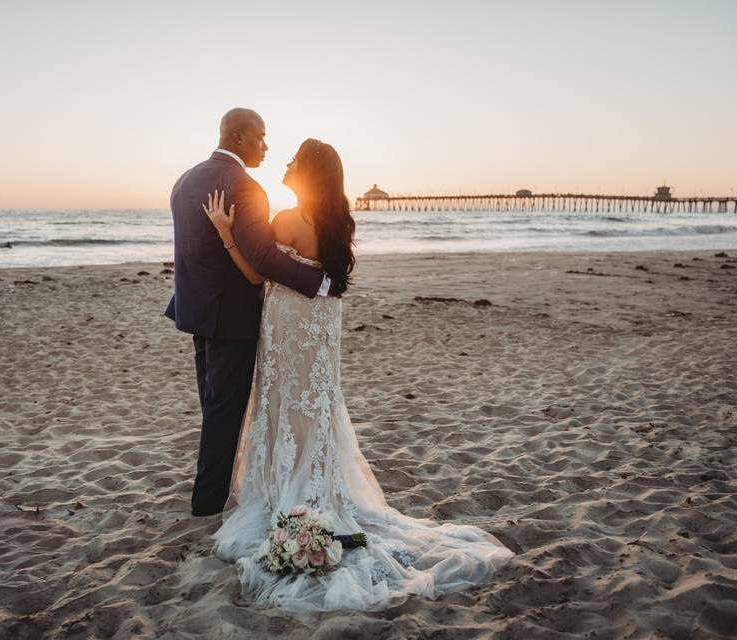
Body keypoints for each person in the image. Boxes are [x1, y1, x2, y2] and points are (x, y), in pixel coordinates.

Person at [203, 138, 515, 612]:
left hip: (290, 324)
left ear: (307, 174)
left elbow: (253, 271)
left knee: (285, 399)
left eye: (293, 162)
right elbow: (324, 279)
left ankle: (286, 488)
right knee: (317, 400)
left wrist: (226, 231)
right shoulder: (334, 224)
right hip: (321, 326)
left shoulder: (287, 220)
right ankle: (316, 477)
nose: (285, 165)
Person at [164, 108, 333, 517]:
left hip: (196, 311)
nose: (266, 145)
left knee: (213, 403)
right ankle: (207, 503)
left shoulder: (184, 179)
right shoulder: (243, 185)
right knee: (224, 411)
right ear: (238, 137)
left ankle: (213, 491)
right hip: (231, 316)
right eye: (260, 136)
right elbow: (262, 259)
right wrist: (322, 282)